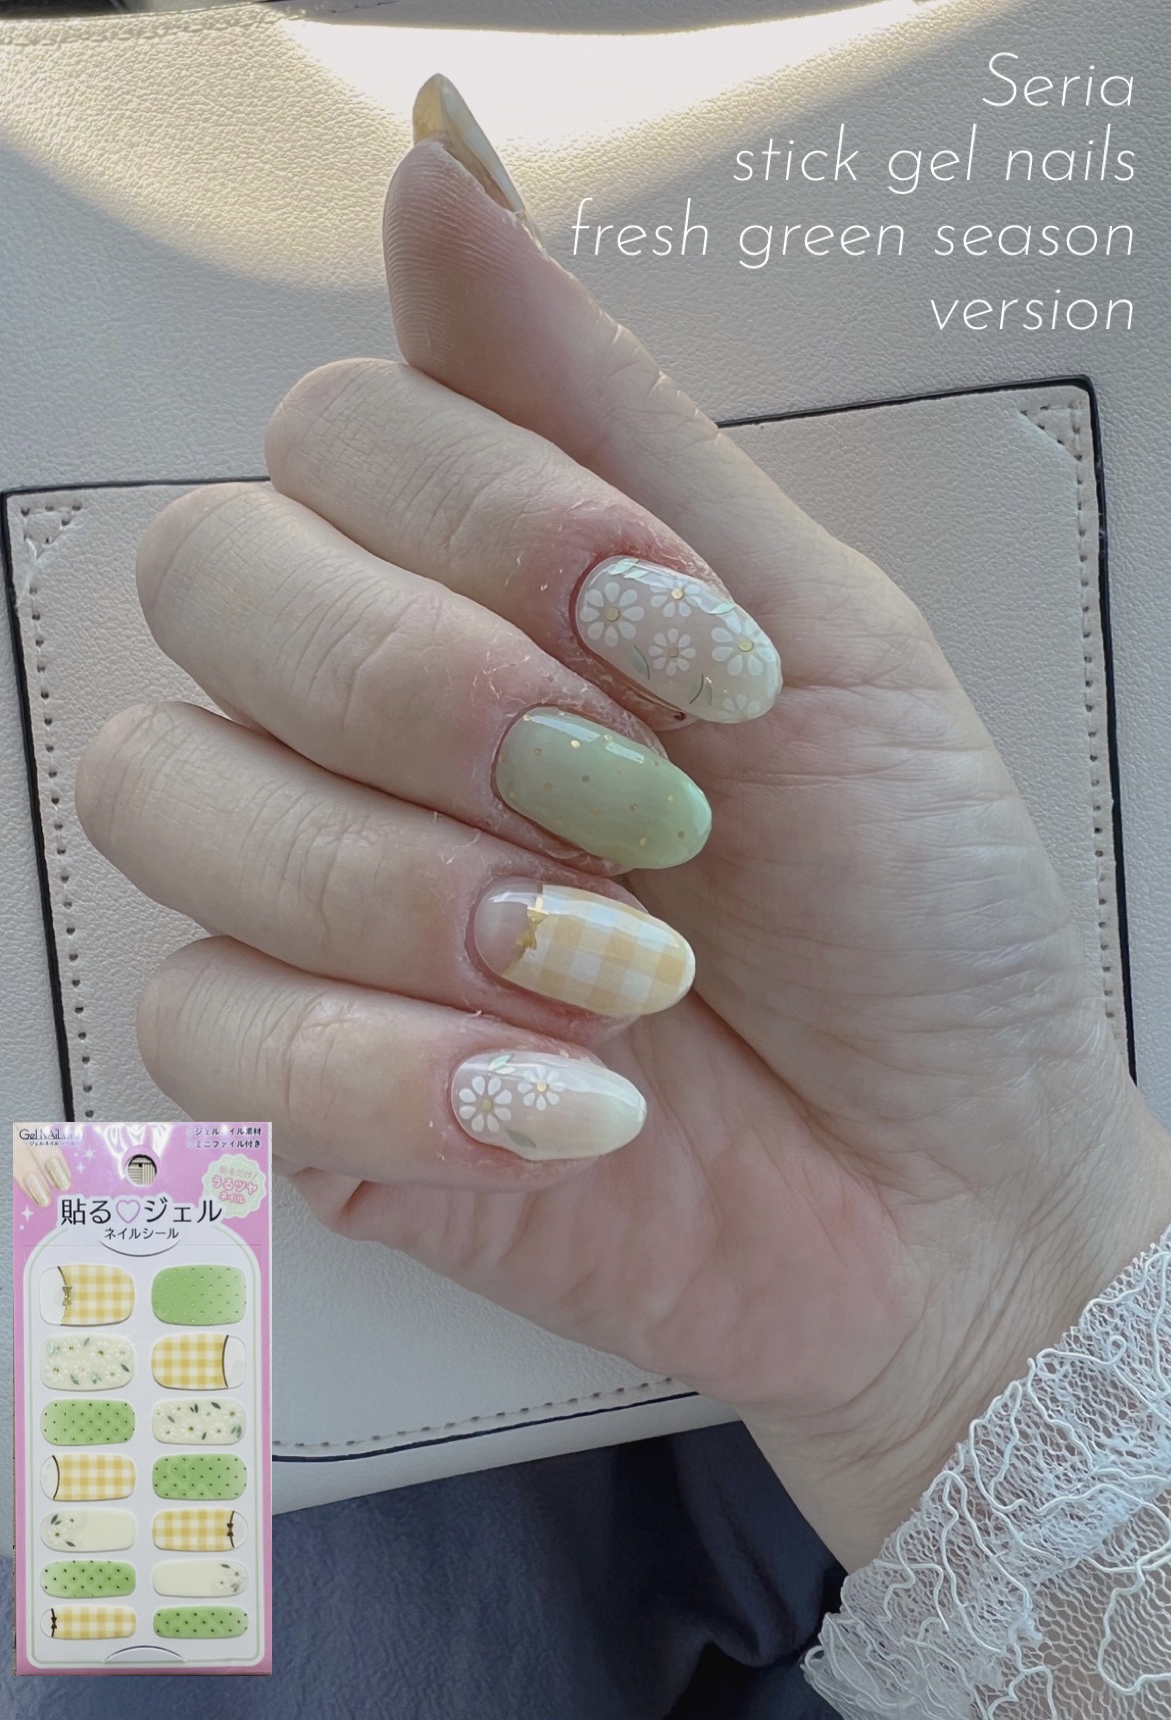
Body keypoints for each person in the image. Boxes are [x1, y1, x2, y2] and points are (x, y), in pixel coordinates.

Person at [73, 73, 1171, 1715]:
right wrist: (982, 1293)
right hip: (178, 1253)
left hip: (935, 1402)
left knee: (120, 1616)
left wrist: (981, 1313)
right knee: (127, 1586)